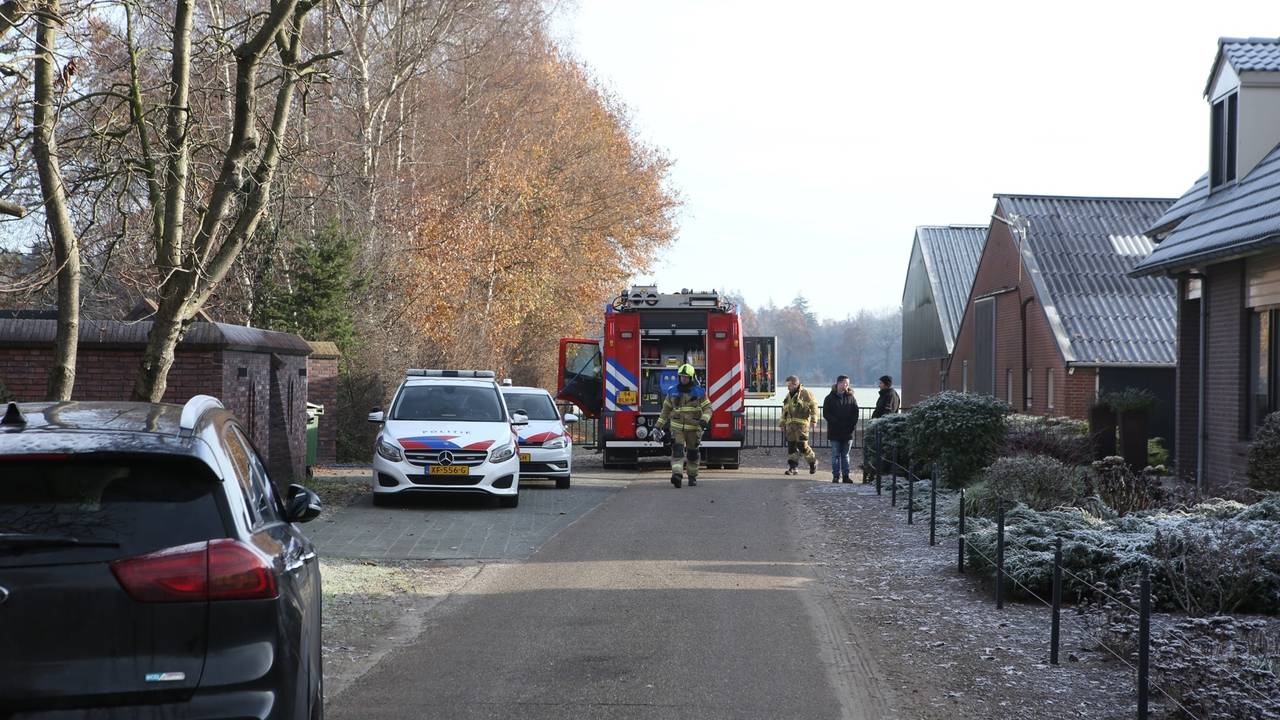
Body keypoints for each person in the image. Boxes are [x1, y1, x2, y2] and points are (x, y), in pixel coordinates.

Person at [654, 364, 711, 488]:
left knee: (693, 454)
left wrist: (704, 421)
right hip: (677, 428)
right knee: (678, 452)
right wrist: (657, 426)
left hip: (694, 429)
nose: (683, 379)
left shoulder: (699, 392)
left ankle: (692, 476)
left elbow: (708, 409)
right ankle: (677, 475)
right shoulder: (672, 391)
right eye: (682, 377)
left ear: (691, 378)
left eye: (686, 377)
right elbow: (665, 411)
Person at [823, 375, 859, 483]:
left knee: (845, 455)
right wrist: (835, 421)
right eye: (844, 383)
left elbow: (855, 413)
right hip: (835, 431)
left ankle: (846, 476)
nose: (846, 386)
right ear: (838, 383)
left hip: (848, 432)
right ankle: (836, 476)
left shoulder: (851, 398)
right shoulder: (829, 398)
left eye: (847, 384)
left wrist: (852, 425)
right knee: (835, 455)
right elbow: (826, 413)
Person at [779, 375, 818, 475]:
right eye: (787, 385)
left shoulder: (806, 393)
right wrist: (782, 423)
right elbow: (785, 411)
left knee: (802, 445)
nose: (788, 387)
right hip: (790, 426)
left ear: (796, 384)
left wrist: (814, 420)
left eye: (790, 385)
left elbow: (814, 406)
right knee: (791, 446)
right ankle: (793, 467)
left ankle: (813, 462)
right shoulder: (788, 396)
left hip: (802, 425)